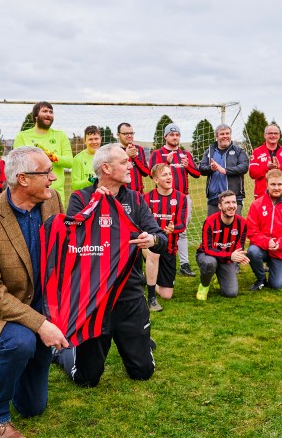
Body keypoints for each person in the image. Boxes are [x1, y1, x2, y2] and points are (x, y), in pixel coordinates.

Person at [0, 146, 69, 437]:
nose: (53, 178)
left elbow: (62, 250)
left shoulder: (52, 201)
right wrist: (40, 324)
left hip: (42, 305)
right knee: (20, 342)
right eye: (46, 173)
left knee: (32, 408)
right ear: (23, 179)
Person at [54, 143, 167, 387]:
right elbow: (73, 241)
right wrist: (97, 204)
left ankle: (138, 341)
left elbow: (162, 240)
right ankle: (64, 351)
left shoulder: (136, 199)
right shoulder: (80, 198)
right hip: (97, 298)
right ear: (106, 168)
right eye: (124, 162)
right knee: (87, 379)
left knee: (142, 373)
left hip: (129, 296)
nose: (130, 166)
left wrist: (153, 239)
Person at [248, 123, 282, 274]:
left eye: (276, 133)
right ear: (265, 135)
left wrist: (279, 168)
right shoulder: (258, 152)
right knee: (261, 230)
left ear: (279, 135)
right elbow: (252, 172)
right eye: (270, 133)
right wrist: (267, 167)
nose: (273, 136)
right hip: (262, 196)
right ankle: (264, 260)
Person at [149, 123, 200, 277]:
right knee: (160, 229)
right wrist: (167, 164)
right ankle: (158, 260)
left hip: (183, 198)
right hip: (162, 198)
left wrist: (188, 166)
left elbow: (196, 174)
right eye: (171, 135)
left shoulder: (185, 154)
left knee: (181, 230)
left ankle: (184, 264)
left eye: (177, 135)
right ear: (165, 137)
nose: (175, 137)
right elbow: (152, 174)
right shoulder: (157, 154)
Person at [143, 163, 188, 311]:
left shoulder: (181, 198)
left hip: (169, 249)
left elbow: (182, 224)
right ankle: (150, 294)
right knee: (153, 254)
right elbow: (140, 224)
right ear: (156, 180)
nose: (169, 177)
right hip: (150, 245)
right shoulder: (147, 198)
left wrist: (174, 228)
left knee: (167, 295)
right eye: (164, 175)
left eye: (170, 174)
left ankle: (146, 279)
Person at [13, 101, 73, 201]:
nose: (48, 114)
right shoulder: (22, 136)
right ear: (36, 116)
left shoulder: (60, 135)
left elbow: (70, 162)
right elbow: (17, 163)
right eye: (45, 111)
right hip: (29, 193)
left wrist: (51, 157)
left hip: (54, 193)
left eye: (51, 112)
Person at [195, 190, 249, 300]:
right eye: (227, 203)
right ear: (220, 206)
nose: (232, 206)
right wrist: (230, 256)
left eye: (234, 202)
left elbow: (240, 247)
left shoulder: (242, 223)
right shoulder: (210, 222)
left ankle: (218, 276)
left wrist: (240, 256)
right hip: (207, 255)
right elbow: (207, 248)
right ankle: (204, 286)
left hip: (226, 259)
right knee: (210, 263)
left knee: (231, 293)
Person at [198, 123, 249, 216]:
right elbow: (201, 168)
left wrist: (225, 170)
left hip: (234, 198)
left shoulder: (238, 151)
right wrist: (211, 168)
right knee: (214, 228)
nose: (225, 136)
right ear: (216, 136)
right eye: (222, 134)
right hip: (214, 199)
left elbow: (244, 166)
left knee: (234, 229)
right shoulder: (210, 151)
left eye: (227, 133)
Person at [117, 122, 150, 192]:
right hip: (121, 195)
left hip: (138, 194)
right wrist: (127, 155)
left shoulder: (139, 149)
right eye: (125, 133)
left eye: (131, 133)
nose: (129, 136)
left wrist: (135, 157)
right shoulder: (114, 150)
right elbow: (114, 171)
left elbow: (146, 173)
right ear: (118, 135)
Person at [70, 125, 102, 191]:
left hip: (103, 196)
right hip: (85, 198)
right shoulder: (78, 159)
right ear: (85, 141)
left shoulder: (107, 156)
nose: (94, 142)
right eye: (90, 139)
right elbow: (74, 185)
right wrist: (90, 180)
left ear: (100, 139)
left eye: (96, 139)